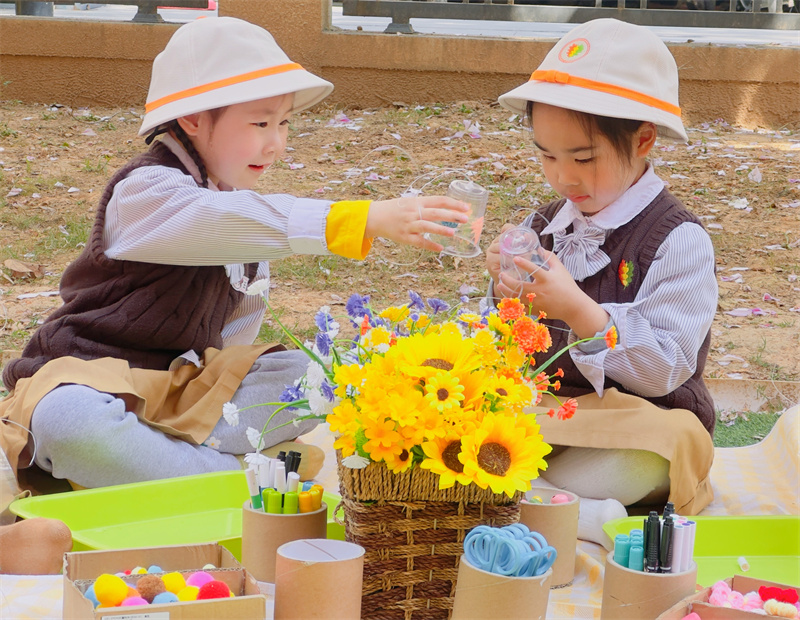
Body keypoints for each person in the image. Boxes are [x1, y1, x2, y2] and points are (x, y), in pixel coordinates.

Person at [0, 17, 468, 490]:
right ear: (192, 119)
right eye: (260, 123)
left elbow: (233, 340)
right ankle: (244, 473)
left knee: (325, 373)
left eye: (284, 123)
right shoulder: (146, 189)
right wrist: (360, 219)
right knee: (69, 422)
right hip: (92, 384)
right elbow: (212, 220)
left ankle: (156, 463)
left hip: (184, 394)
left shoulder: (239, 218)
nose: (276, 144)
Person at [487, 18, 717, 546]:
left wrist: (579, 310)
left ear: (643, 139)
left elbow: (665, 368)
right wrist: (503, 294)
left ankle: (526, 499)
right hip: (548, 420)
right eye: (547, 155)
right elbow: (505, 350)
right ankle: (568, 508)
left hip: (632, 423)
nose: (563, 176)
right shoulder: (545, 225)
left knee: (653, 451)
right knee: (454, 428)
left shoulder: (676, 239)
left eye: (583, 158)